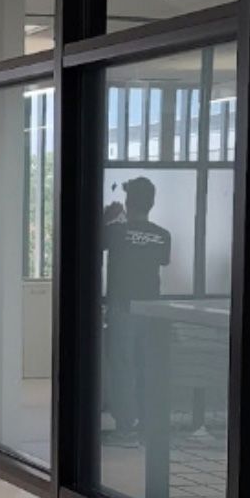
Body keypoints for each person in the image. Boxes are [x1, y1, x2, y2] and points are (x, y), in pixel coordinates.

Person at [103, 174, 171, 441]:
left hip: (123, 308)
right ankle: (147, 422)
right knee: (147, 367)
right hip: (153, 309)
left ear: (128, 203)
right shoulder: (163, 235)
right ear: (151, 203)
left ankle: (124, 426)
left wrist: (109, 218)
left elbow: (92, 241)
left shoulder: (117, 232)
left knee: (122, 367)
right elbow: (164, 262)